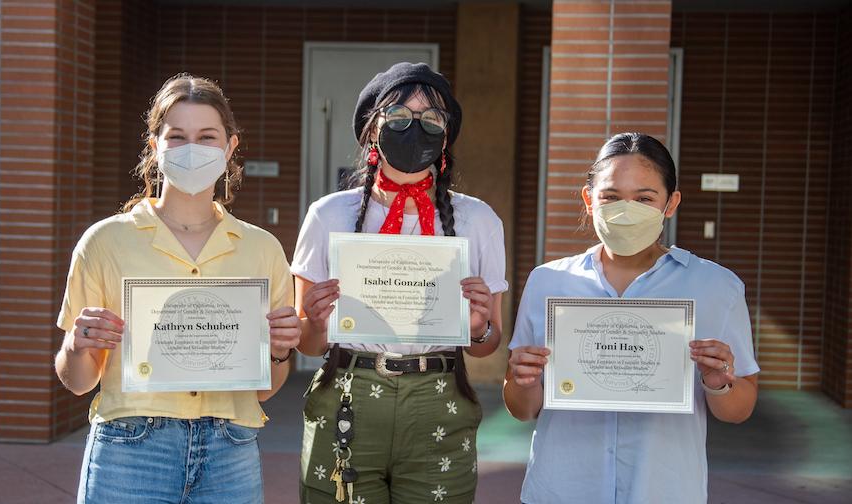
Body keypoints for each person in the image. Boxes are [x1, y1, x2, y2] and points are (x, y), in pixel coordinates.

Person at [54, 74, 299, 504]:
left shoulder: (263, 249)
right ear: (155, 147)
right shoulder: (104, 242)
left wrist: (279, 350)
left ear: (230, 147)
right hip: (131, 447)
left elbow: (263, 388)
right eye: (177, 136)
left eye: (207, 136)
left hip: (230, 449)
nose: (192, 148)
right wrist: (77, 346)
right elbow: (77, 381)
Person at [503, 132, 759, 504]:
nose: (625, 210)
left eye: (644, 198)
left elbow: (740, 409)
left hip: (664, 490)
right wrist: (523, 380)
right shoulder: (549, 282)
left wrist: (719, 383)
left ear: (671, 203)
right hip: (561, 487)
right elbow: (522, 408)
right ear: (589, 200)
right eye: (610, 197)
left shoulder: (716, 286)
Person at [292, 62, 507, 504]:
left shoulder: (478, 220)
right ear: (373, 129)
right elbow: (309, 345)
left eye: (431, 120)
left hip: (439, 401)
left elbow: (487, 345)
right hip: (349, 397)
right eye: (398, 117)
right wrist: (313, 320)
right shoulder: (328, 214)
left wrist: (480, 325)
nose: (415, 129)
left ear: (446, 137)